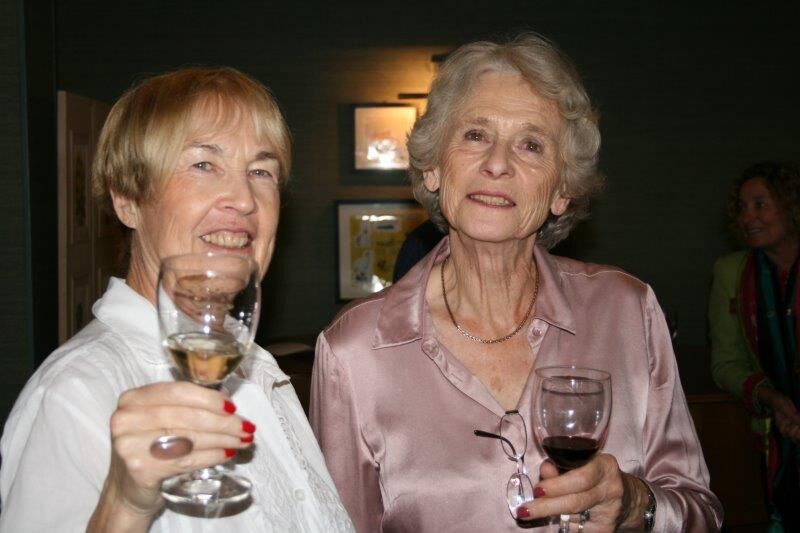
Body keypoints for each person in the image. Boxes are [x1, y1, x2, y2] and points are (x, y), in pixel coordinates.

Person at [311, 33, 722, 532]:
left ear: (561, 191)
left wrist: (635, 505)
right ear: (433, 168)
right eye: (475, 135)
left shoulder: (627, 311)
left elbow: (701, 511)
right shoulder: (355, 351)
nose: (498, 163)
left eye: (531, 144)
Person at [0, 67, 353, 532]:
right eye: (203, 164)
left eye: (260, 171)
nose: (244, 199)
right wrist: (123, 506)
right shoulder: (76, 395)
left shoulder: (259, 372)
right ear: (127, 200)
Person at [709, 161, 800, 531]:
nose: (748, 217)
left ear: (791, 206)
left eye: (760, 205)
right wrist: (773, 398)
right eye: (742, 208)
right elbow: (725, 364)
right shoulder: (731, 272)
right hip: (775, 434)